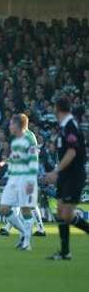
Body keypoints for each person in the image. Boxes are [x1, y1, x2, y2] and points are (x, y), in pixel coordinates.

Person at [45, 97, 89, 260]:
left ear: (57, 109)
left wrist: (56, 171)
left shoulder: (70, 125)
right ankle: (65, 252)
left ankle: (65, 252)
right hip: (66, 176)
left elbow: (72, 152)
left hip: (74, 175)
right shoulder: (64, 126)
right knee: (62, 212)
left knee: (66, 213)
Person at [0, 113, 46, 237]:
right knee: (19, 202)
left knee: (30, 204)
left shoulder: (29, 137)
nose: (11, 126)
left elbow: (33, 156)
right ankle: (8, 228)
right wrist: (4, 162)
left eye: (13, 123)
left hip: (28, 174)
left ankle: (40, 229)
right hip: (20, 173)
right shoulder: (20, 137)